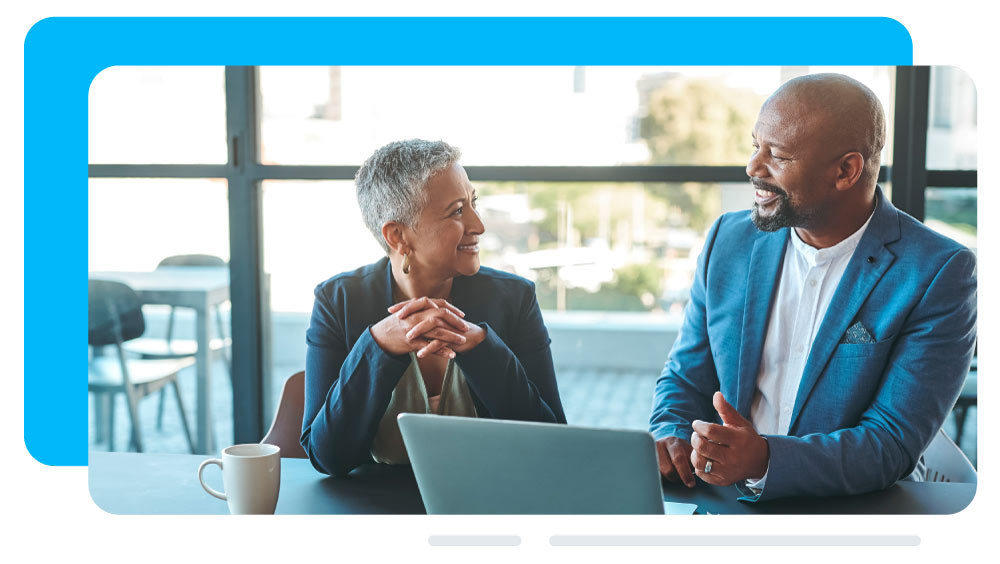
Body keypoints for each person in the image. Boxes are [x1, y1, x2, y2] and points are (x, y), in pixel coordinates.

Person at [649, 73, 977, 501]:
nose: (753, 168)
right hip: (722, 499)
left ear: (846, 170)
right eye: (755, 146)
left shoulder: (938, 273)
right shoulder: (727, 242)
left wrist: (765, 460)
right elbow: (685, 378)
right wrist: (671, 434)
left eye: (778, 156)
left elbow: (891, 442)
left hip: (850, 514)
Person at [301, 139, 566, 477]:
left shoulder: (515, 299)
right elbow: (327, 457)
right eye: (457, 211)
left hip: (491, 503)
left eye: (473, 203)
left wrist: (482, 347)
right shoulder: (337, 301)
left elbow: (552, 441)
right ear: (398, 236)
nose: (478, 225)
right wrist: (376, 347)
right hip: (375, 512)